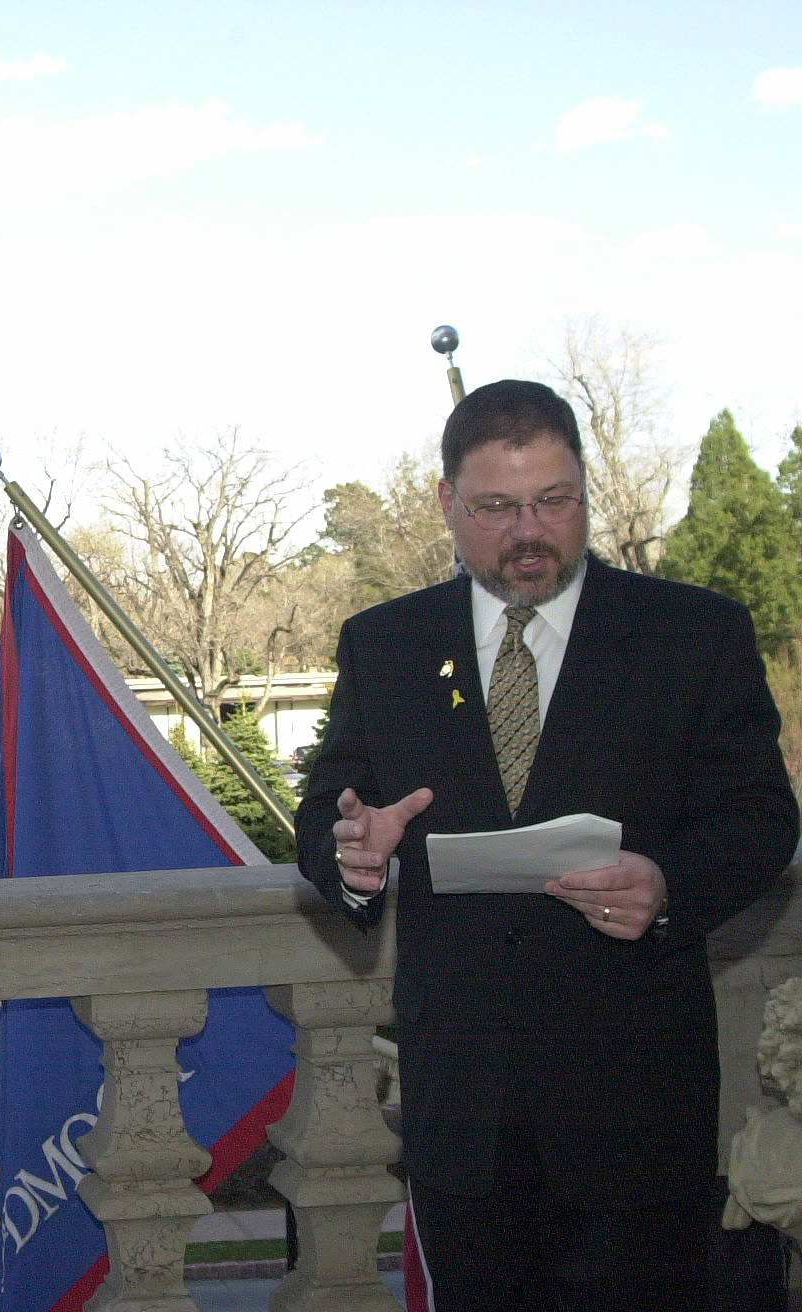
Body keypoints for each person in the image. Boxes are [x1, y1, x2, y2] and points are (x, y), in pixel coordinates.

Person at [296, 379, 799, 1310]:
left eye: (554, 501)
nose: (529, 532)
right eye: (495, 508)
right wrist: (351, 852)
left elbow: (762, 816)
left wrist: (668, 882)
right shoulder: (387, 645)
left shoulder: (693, 634)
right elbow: (332, 806)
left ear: (583, 491)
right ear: (446, 503)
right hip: (464, 1116)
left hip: (638, 1111)